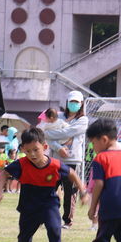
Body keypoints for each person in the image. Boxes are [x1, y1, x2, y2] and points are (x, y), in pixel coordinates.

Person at [0, 128, 88, 242]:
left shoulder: (55, 166)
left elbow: (72, 174)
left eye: (36, 150)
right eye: (28, 150)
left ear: (44, 147)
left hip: (49, 204)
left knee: (54, 229)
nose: (32, 154)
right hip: (28, 207)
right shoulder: (21, 164)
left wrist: (82, 192)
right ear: (23, 149)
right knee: (24, 237)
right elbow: (4, 173)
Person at [44, 90, 89, 229]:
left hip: (73, 159)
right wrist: (58, 148)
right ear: (67, 102)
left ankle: (67, 220)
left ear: (81, 103)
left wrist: (52, 133)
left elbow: (68, 132)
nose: (74, 104)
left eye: (77, 102)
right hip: (55, 158)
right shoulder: (58, 116)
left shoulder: (83, 119)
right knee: (49, 188)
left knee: (70, 191)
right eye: (72, 101)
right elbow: (47, 135)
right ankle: (47, 217)